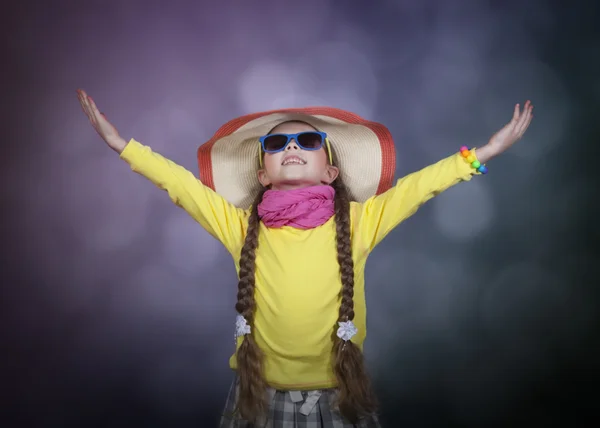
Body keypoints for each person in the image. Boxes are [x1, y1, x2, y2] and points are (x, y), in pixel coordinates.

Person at [76, 89, 533, 427]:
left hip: (340, 401)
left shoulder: (359, 221)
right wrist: (124, 147)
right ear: (263, 172)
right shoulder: (240, 227)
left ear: (330, 170)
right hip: (256, 401)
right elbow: (181, 186)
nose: (290, 147)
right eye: (276, 145)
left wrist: (482, 154)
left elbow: (419, 186)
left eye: (305, 142)